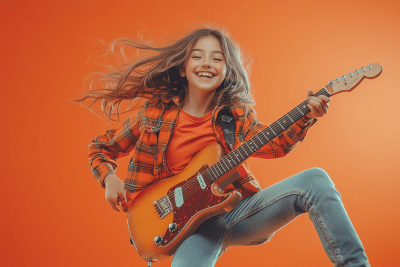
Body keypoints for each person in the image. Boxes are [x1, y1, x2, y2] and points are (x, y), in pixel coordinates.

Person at [79, 28, 370, 267]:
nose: (207, 63)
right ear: (183, 68)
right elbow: (100, 147)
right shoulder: (152, 115)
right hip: (189, 231)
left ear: (225, 71)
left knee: (315, 180)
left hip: (236, 212)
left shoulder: (236, 115)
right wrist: (109, 178)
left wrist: (307, 114)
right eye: (198, 56)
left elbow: (276, 146)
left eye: (217, 58)